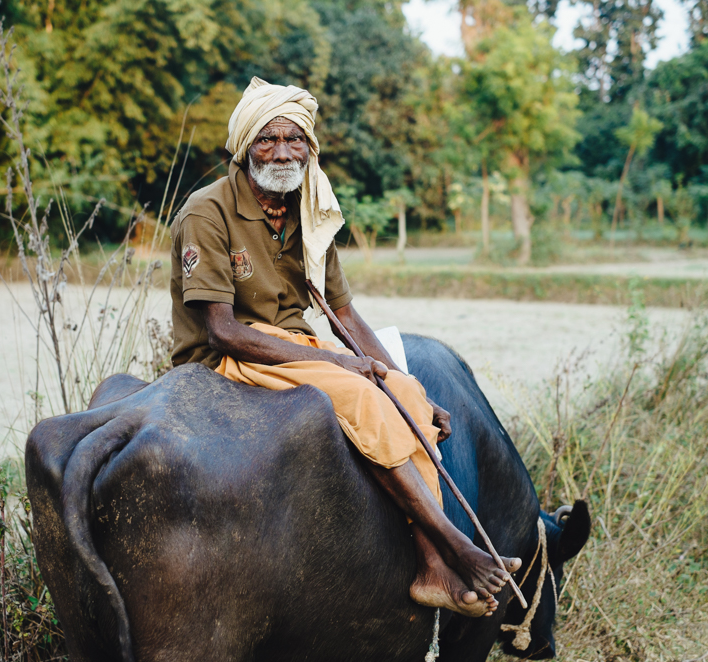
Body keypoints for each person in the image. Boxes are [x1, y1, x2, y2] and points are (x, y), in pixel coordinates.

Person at [169, 77, 520, 617]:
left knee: (405, 391)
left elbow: (345, 313)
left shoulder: (308, 208)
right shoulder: (205, 211)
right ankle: (453, 543)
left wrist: (404, 386)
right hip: (229, 355)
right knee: (357, 396)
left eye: (295, 140)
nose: (283, 152)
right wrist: (335, 362)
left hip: (290, 345)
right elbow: (223, 331)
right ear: (241, 148)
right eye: (267, 139)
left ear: (310, 148)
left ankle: (429, 565)